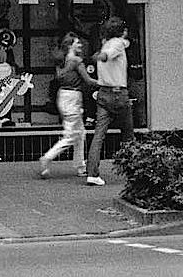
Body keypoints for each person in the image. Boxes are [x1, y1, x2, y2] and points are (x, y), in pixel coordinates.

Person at [84, 17, 135, 187]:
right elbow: (109, 55)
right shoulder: (117, 44)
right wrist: (102, 56)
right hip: (118, 93)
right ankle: (133, 171)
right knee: (128, 134)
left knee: (99, 135)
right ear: (120, 31)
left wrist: (98, 54)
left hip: (103, 93)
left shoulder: (106, 43)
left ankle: (92, 173)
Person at [36, 32, 92, 178]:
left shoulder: (62, 61)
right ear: (70, 46)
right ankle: (47, 157)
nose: (80, 45)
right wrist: (107, 83)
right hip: (73, 97)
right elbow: (88, 80)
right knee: (70, 135)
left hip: (63, 96)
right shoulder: (76, 61)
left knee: (80, 133)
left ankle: (81, 167)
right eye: (77, 43)